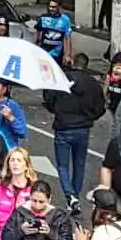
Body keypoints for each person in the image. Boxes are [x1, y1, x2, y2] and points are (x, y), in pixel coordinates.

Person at [43, 53, 105, 214]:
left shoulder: (61, 79)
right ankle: (74, 197)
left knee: (63, 166)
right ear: (86, 65)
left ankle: (70, 196)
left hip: (63, 128)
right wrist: (89, 117)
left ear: (73, 63)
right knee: (79, 165)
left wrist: (58, 112)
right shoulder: (93, 84)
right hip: (83, 129)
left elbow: (48, 99)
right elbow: (101, 107)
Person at [34, 0, 73, 64]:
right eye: (50, 6)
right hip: (44, 53)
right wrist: (35, 46)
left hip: (58, 55)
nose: (51, 9)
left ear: (59, 8)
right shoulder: (43, 18)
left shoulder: (65, 20)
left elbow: (67, 38)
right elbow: (37, 32)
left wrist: (67, 55)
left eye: (54, 7)